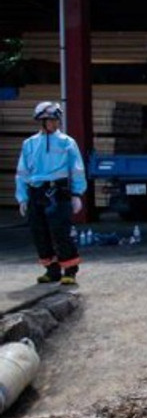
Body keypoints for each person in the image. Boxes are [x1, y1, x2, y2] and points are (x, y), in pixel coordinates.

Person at [15, 101, 87, 285]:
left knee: (61, 231)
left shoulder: (67, 142)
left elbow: (76, 169)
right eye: (50, 120)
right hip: (36, 192)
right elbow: (22, 172)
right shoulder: (29, 144)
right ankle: (52, 270)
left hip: (58, 191)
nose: (54, 123)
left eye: (56, 120)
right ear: (41, 122)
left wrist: (77, 194)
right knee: (40, 232)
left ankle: (69, 270)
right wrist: (22, 197)